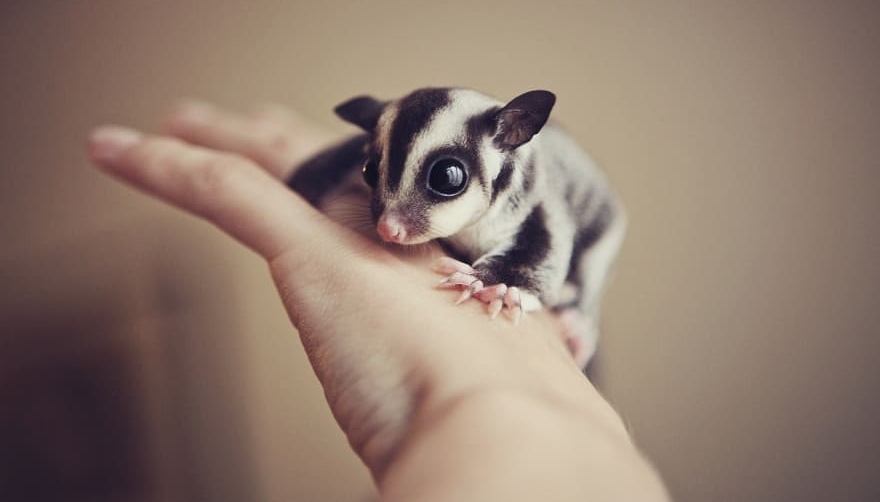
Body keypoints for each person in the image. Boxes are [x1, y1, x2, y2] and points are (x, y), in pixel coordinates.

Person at [87, 102, 668, 501]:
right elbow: (355, 161)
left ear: (511, 135)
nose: (390, 226)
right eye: (376, 174)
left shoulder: (531, 185)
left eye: (444, 177)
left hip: (588, 230)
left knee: (574, 276)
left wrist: (483, 388)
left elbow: (551, 241)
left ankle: (581, 312)